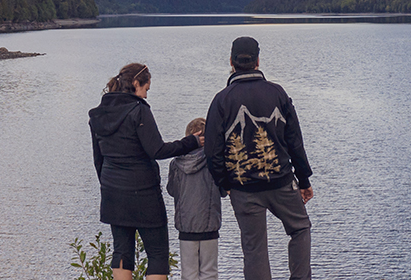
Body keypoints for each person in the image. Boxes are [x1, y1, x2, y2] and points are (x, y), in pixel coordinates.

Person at [204, 36, 314, 280]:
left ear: (231, 62)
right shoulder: (277, 93)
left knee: (254, 249)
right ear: (257, 61)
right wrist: (303, 181)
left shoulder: (221, 100)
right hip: (281, 183)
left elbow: (212, 151)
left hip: (243, 188)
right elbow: (295, 141)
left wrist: (225, 184)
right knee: (300, 228)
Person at [90, 63, 203, 280]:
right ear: (135, 84)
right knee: (157, 253)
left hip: (113, 194)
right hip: (143, 194)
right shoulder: (138, 110)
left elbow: (98, 159)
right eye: (146, 89)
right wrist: (192, 142)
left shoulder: (98, 114)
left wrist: (109, 186)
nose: (146, 95)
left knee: (122, 252)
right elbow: (157, 150)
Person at [166, 117, 224, 280]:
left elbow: (172, 190)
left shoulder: (176, 163)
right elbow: (223, 190)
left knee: (189, 273)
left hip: (186, 225)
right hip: (209, 224)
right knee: (209, 272)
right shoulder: (214, 161)